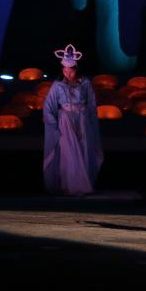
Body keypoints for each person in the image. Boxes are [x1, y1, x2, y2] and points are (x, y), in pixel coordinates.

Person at [42, 44, 103, 195]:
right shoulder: (58, 85)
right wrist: (53, 123)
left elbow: (91, 103)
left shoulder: (85, 83)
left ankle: (84, 184)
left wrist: (90, 120)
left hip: (82, 119)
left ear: (76, 69)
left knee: (83, 149)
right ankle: (69, 185)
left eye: (71, 70)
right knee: (69, 151)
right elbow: (48, 105)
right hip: (65, 121)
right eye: (65, 70)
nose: (68, 73)